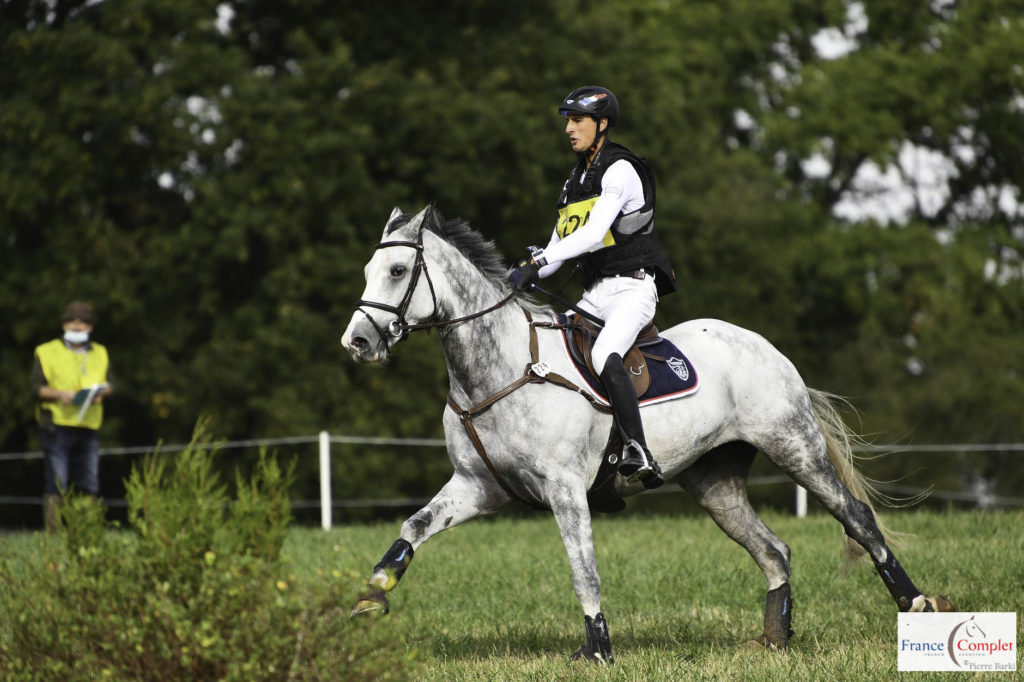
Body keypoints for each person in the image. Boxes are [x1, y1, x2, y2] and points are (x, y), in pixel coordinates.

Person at [509, 86, 677, 489]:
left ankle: (639, 450)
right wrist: (521, 272)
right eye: (567, 120)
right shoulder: (574, 182)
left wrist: (542, 261)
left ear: (602, 124)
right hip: (596, 293)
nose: (569, 129)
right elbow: (556, 252)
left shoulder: (620, 170)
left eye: (577, 120)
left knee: (603, 353)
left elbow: (593, 233)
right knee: (550, 346)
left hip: (633, 290)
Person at [31, 302, 113, 529]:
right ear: (64, 324)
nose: (77, 326)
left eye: (83, 321)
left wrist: (101, 393)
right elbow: (35, 388)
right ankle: (54, 533)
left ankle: (88, 532)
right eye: (72, 321)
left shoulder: (100, 353)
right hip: (57, 424)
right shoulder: (46, 352)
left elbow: (110, 384)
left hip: (89, 424)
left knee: (89, 482)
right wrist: (60, 394)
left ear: (91, 327)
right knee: (57, 483)